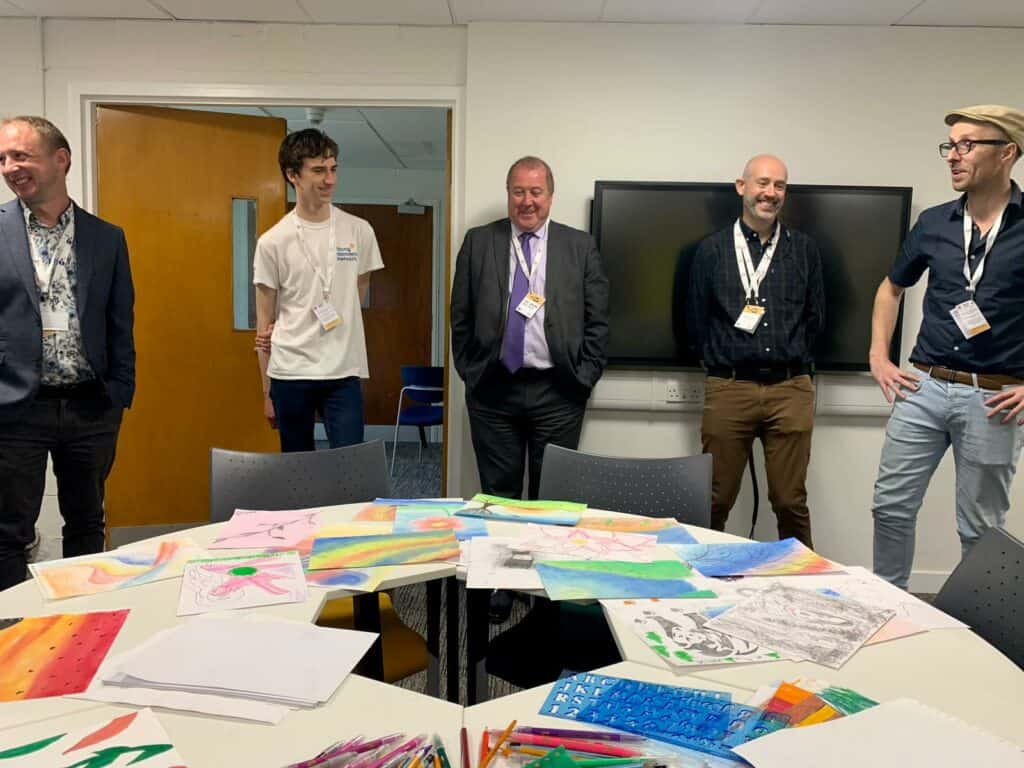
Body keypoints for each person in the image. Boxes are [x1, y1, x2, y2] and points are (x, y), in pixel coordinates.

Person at [869, 105, 1024, 590]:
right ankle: (890, 603)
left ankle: (979, 625)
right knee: (891, 506)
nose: (953, 157)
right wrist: (878, 356)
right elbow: (891, 288)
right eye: (950, 146)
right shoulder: (936, 223)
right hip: (925, 385)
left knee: (980, 528)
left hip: (994, 398)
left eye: (967, 145)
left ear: (1007, 154)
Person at [451, 156, 609, 622]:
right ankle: (500, 583)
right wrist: (470, 371)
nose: (527, 201)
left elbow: (598, 320)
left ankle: (542, 588)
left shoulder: (579, 247)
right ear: (508, 192)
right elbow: (459, 315)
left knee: (551, 499)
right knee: (499, 497)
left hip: (558, 391)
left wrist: (585, 377)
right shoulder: (480, 243)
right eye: (519, 191)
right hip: (494, 390)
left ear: (550, 196)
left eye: (536, 192)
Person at [0, 116, 135, 589]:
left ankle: (84, 626)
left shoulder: (107, 237)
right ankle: (13, 639)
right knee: (8, 533)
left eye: (21, 155)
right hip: (16, 408)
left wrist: (119, 390)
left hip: (91, 407)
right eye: (3, 158)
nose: (10, 166)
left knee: (86, 525)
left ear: (61, 159)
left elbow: (121, 321)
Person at [687, 154, 825, 547]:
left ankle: (801, 589)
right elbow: (695, 321)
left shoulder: (804, 250)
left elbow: (817, 318)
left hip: (790, 389)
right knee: (714, 499)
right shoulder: (711, 250)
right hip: (729, 389)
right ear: (741, 186)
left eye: (779, 185)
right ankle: (701, 581)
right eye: (763, 183)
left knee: (790, 500)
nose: (771, 193)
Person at [254, 129, 383, 452]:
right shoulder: (273, 241)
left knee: (349, 468)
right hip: (291, 371)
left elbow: (360, 285)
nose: (330, 179)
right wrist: (267, 392)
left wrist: (341, 318)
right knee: (298, 473)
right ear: (292, 175)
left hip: (342, 370)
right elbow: (264, 323)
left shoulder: (358, 230)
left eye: (333, 169)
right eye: (318, 170)